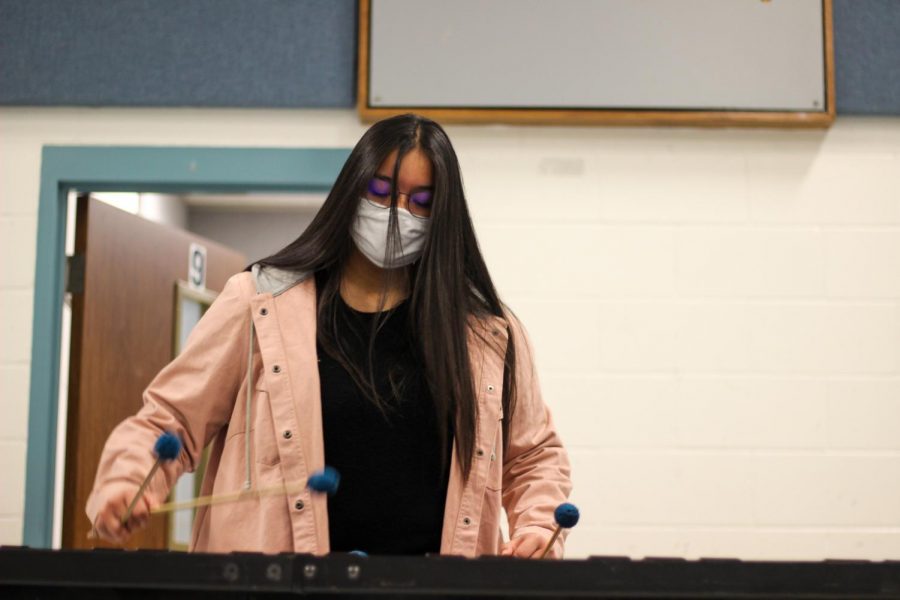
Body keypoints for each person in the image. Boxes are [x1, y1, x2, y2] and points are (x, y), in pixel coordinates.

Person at [87, 113, 572, 558]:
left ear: (443, 213)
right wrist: (128, 481)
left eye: (419, 202)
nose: (395, 212)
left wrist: (537, 526)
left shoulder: (486, 334)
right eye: (380, 191)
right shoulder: (259, 304)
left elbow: (533, 456)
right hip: (286, 585)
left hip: (433, 591)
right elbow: (168, 419)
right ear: (351, 190)